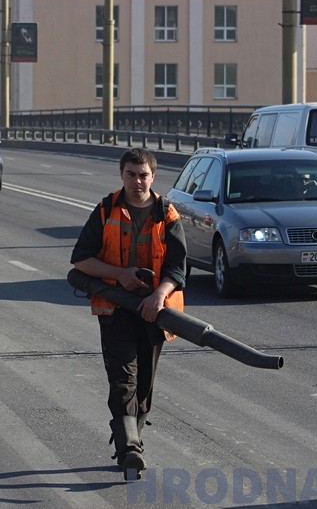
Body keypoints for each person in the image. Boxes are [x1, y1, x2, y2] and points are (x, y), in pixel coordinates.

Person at [70, 147, 187, 480]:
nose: (138, 181)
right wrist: (119, 275)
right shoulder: (107, 209)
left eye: (143, 175)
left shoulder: (167, 214)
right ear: (122, 175)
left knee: (145, 386)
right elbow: (80, 260)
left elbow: (178, 269)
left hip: (156, 312)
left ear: (153, 176)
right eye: (131, 174)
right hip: (116, 309)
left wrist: (158, 297)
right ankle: (129, 450)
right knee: (123, 380)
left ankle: (133, 440)